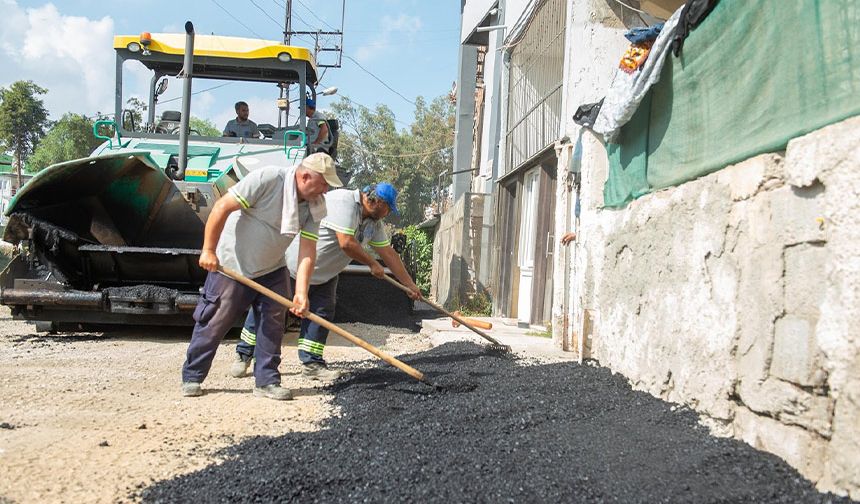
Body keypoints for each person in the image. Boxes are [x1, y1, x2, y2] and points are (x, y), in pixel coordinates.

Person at [181, 152, 343, 400]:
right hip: (234, 264)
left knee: (273, 323)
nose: (324, 191)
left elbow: (307, 251)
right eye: (323, 184)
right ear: (306, 176)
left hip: (272, 268)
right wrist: (208, 250)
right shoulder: (268, 179)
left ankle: (266, 380)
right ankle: (193, 375)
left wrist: (301, 292)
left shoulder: (314, 206)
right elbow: (222, 207)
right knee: (214, 321)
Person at [230, 182, 422, 381]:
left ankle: (312, 363)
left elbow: (389, 254)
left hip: (325, 275)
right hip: (291, 266)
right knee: (270, 309)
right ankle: (243, 353)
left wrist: (409, 284)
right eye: (389, 209)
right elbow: (346, 242)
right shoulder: (344, 201)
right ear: (379, 203)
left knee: (320, 314)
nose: (388, 214)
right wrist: (373, 264)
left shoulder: (374, 224)